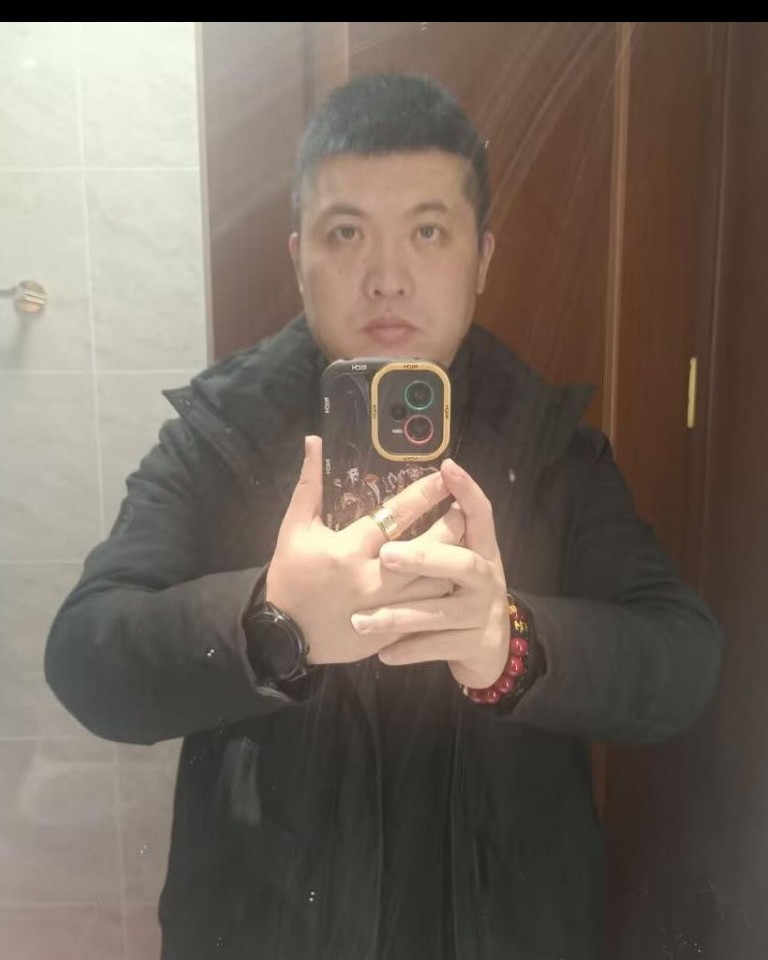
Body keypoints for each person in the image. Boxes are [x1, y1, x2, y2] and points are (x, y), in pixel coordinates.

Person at [44, 72, 721, 960]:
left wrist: (510, 644)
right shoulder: (219, 435)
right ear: (299, 257)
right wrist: (270, 623)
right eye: (346, 232)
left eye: (428, 231)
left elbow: (681, 662)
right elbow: (86, 658)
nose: (388, 278)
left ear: (481, 258)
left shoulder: (551, 443)